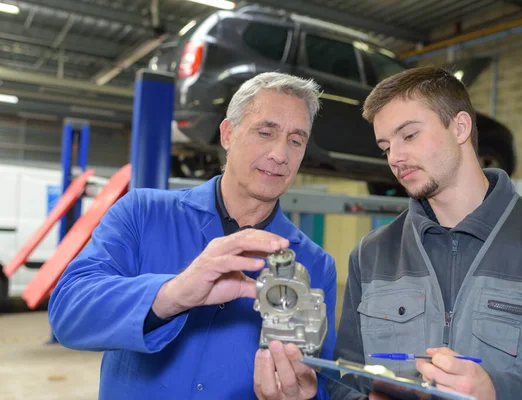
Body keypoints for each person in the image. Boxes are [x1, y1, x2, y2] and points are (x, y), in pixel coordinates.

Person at [48, 72, 338, 400]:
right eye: (265, 132)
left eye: (296, 141)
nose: (280, 153)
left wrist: (304, 395)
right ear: (228, 133)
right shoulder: (142, 213)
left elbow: (322, 381)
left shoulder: (315, 264)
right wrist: (174, 293)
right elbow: (68, 313)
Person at [328, 66, 522, 400]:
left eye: (409, 135)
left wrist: (498, 393)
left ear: (459, 127)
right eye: (385, 147)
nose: (395, 158)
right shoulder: (371, 254)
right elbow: (345, 383)